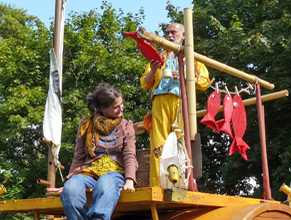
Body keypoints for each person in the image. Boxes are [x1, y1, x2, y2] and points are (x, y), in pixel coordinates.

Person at [48, 83, 138, 220]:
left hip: (115, 173)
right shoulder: (87, 124)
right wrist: (69, 181)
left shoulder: (126, 125)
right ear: (103, 109)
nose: (122, 109)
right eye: (116, 107)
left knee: (105, 183)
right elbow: (78, 156)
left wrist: (130, 180)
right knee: (71, 188)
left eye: (122, 104)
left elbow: (130, 154)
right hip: (89, 170)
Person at [140, 23, 210, 187]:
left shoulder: (191, 57)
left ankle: (182, 184)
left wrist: (184, 76)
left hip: (181, 101)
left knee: (181, 144)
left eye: (174, 32)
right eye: (168, 32)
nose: (170, 35)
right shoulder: (158, 57)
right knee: (159, 144)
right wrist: (152, 71)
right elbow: (145, 83)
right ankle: (158, 186)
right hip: (160, 101)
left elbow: (204, 82)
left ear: (183, 35)